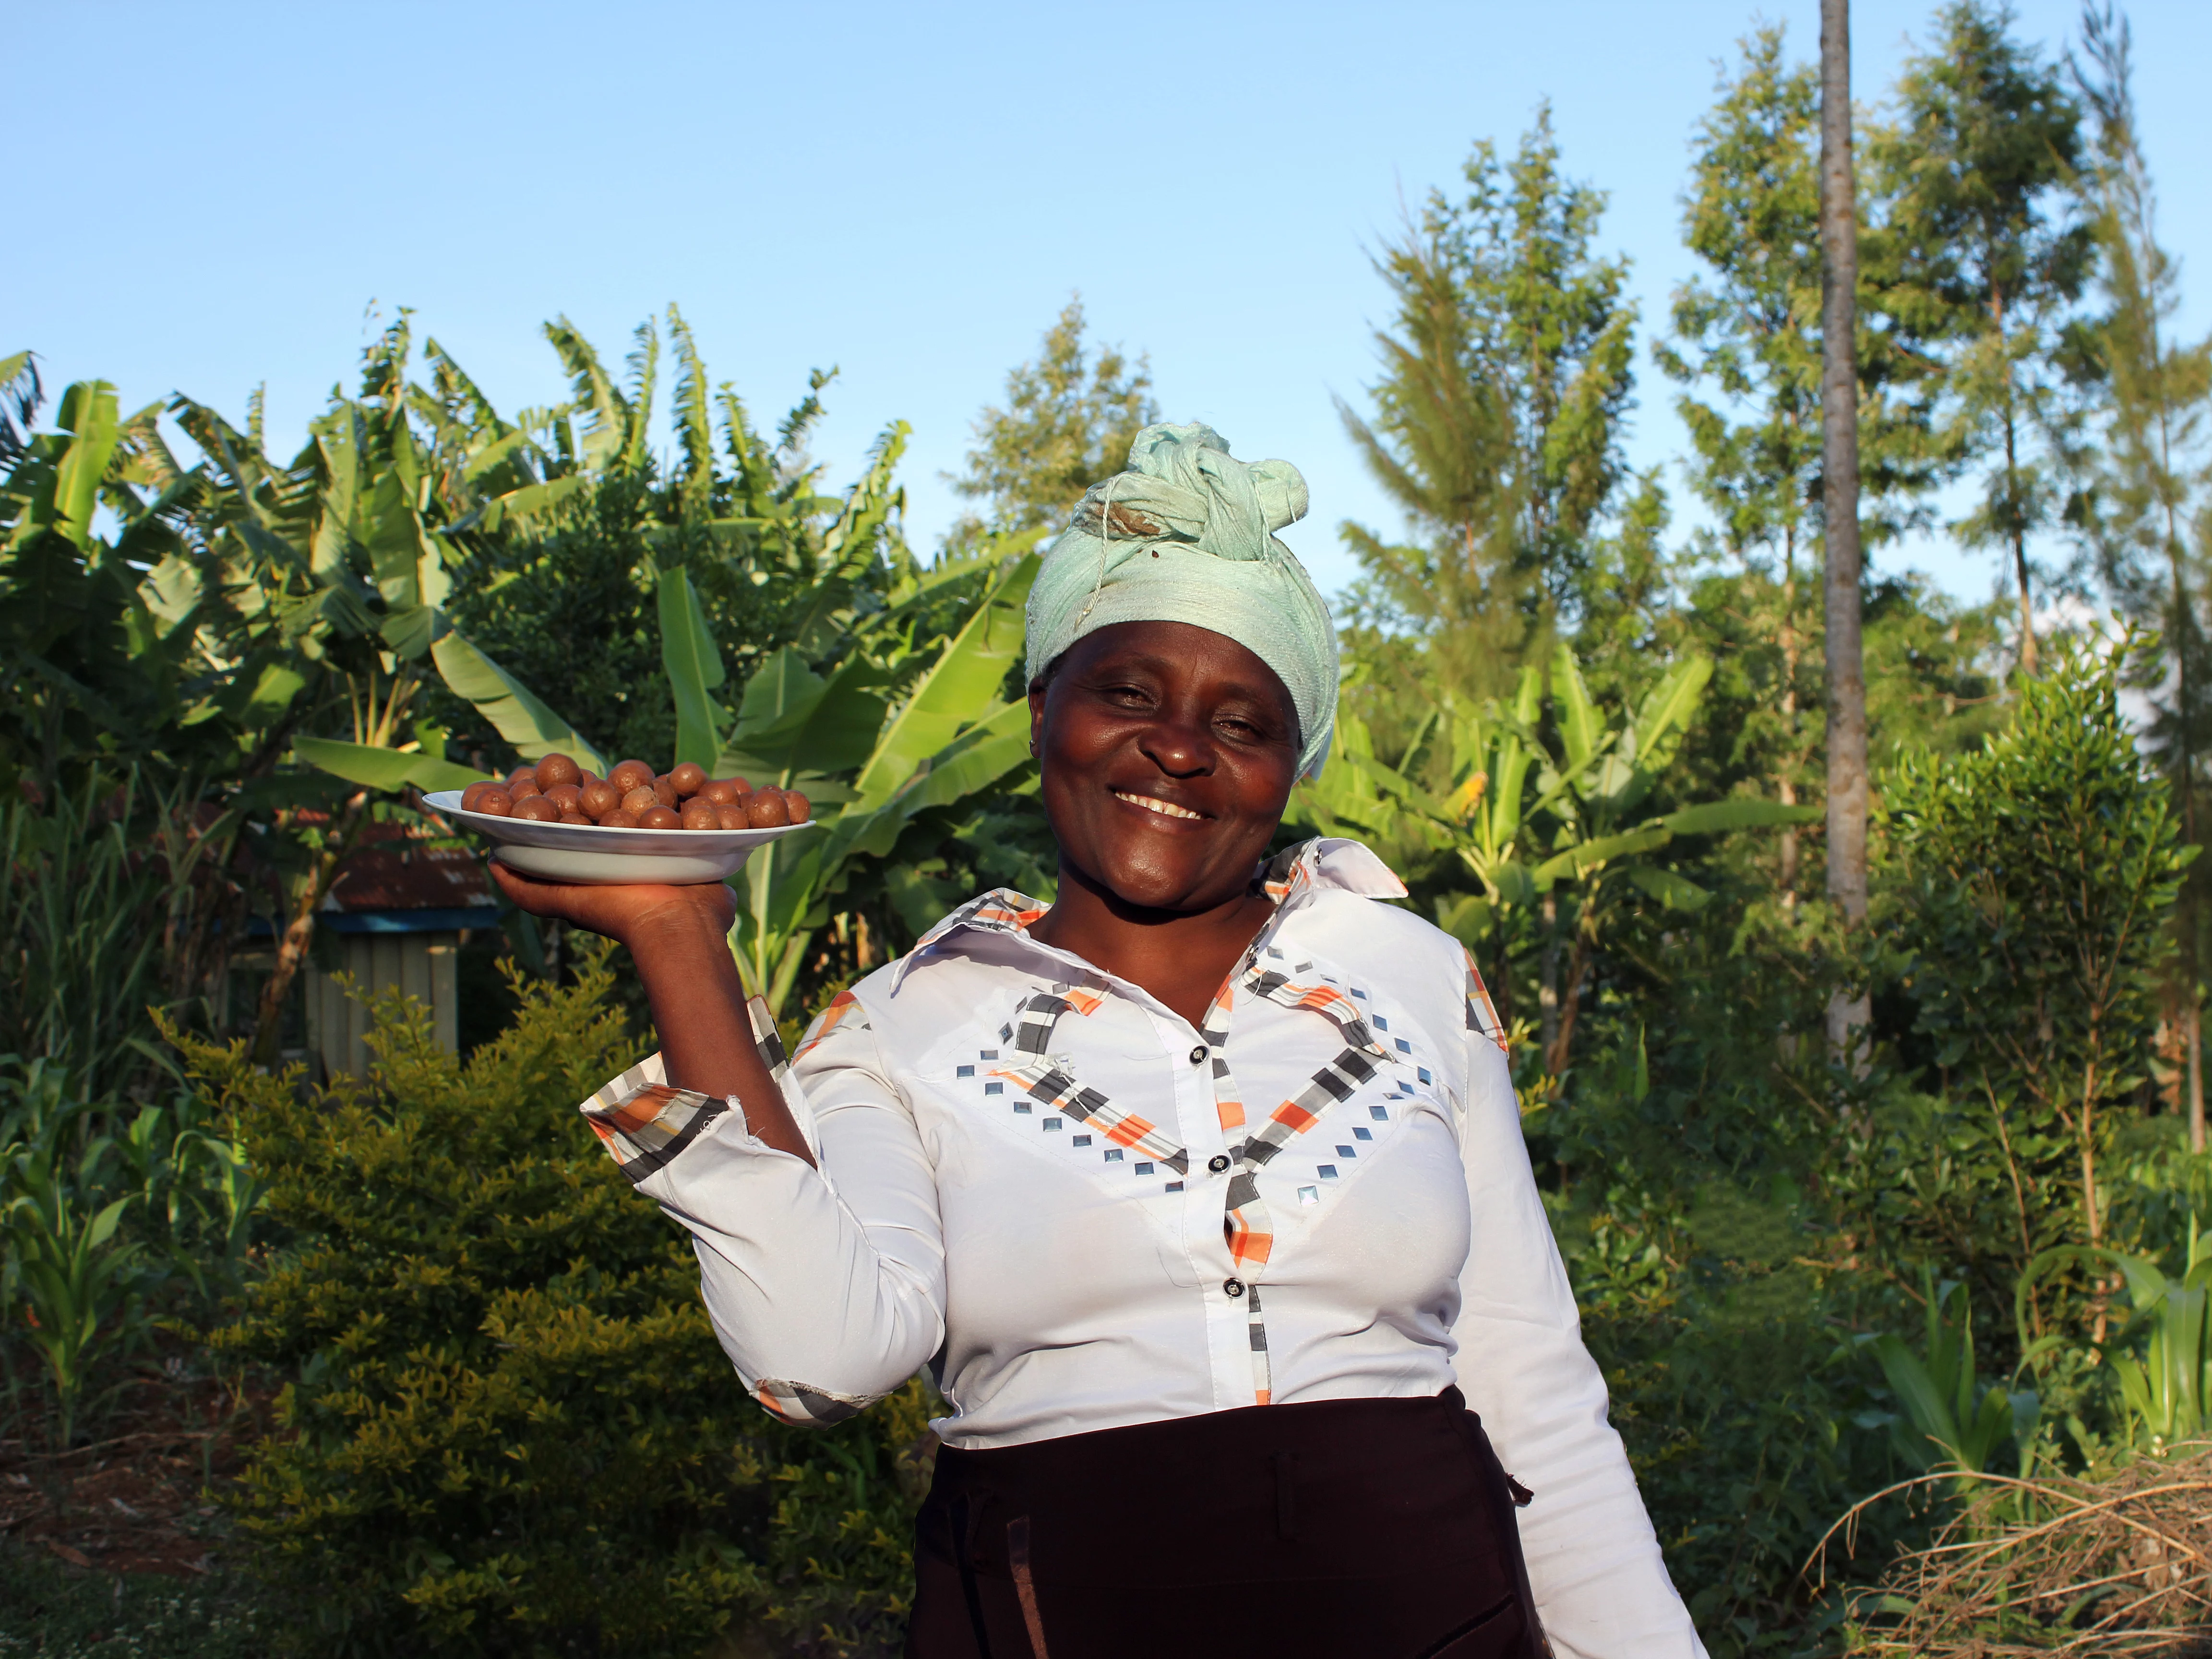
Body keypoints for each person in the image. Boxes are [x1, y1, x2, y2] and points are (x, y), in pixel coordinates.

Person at [494, 424, 1705, 1659]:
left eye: (1244, 722)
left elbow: (1535, 1389)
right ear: (1040, 714)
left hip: (1439, 1618)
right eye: (1128, 693)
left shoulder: (1407, 979)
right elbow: (821, 1358)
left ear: (1292, 769)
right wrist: (678, 932)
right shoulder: (901, 1027)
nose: (1180, 748)